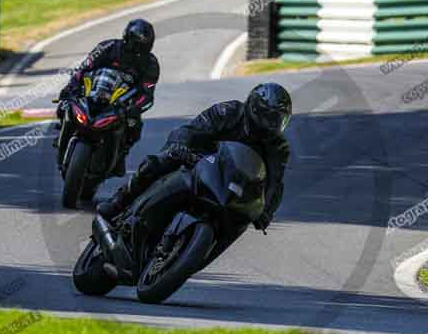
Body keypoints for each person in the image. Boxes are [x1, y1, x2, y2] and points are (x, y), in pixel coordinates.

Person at [98, 82, 292, 232]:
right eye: (266, 115)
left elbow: (275, 182)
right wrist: (180, 146)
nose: (269, 123)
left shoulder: (278, 147)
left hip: (230, 186)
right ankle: (119, 202)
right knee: (159, 162)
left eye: (276, 119)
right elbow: (193, 129)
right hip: (196, 159)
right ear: (254, 107)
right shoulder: (229, 111)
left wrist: (266, 212)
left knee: (242, 220)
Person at [58, 18, 160, 176]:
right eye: (136, 45)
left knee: (135, 126)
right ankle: (62, 136)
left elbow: (148, 94)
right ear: (127, 38)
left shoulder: (151, 63)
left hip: (121, 104)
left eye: (144, 46)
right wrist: (72, 86)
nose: (139, 50)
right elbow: (84, 68)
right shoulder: (108, 47)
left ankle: (120, 157)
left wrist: (133, 109)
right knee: (64, 104)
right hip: (93, 93)